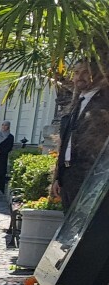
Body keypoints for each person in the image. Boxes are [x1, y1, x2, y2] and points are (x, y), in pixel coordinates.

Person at [53, 58, 109, 209]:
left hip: (90, 177)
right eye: (76, 73)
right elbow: (66, 142)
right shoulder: (76, 103)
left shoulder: (104, 103)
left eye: (86, 72)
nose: (80, 77)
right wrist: (59, 178)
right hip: (69, 177)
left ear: (97, 75)